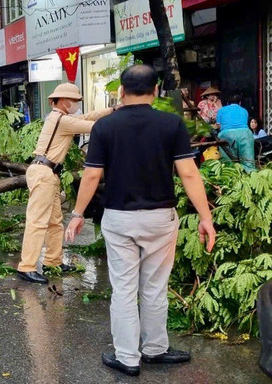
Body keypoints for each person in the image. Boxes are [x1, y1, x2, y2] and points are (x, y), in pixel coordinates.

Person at [65, 65, 216, 377]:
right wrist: (206, 218)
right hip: (161, 219)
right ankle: (155, 349)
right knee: (154, 287)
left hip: (119, 219)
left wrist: (77, 214)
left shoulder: (105, 128)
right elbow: (189, 173)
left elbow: (92, 174)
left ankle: (128, 358)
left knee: (123, 289)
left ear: (121, 91)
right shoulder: (171, 124)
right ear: (156, 90)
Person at [16, 83, 115, 284]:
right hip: (43, 173)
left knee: (54, 221)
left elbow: (86, 117)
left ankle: (53, 261)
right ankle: (26, 267)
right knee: (37, 221)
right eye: (75, 101)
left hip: (48, 173)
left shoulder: (61, 118)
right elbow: (94, 126)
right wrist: (121, 118)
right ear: (62, 101)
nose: (77, 104)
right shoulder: (60, 120)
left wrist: (113, 110)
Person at [217, 94, 256, 171]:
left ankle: (231, 176)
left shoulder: (221, 110)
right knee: (248, 160)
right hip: (245, 134)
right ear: (240, 103)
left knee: (228, 161)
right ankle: (250, 176)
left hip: (226, 134)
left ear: (227, 103)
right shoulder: (244, 111)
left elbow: (218, 125)